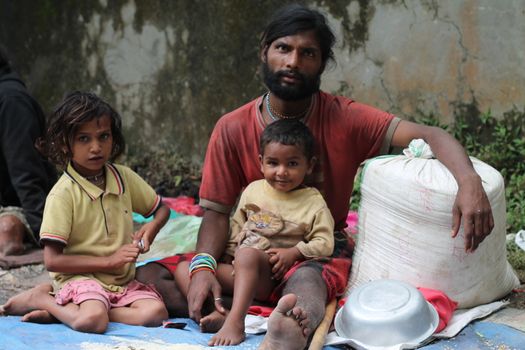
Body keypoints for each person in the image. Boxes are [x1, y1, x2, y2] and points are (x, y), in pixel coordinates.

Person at [136, 4, 494, 349]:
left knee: (307, 284)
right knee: (150, 276)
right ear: (265, 51)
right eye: (283, 48)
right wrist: (203, 267)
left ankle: (285, 326)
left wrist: (469, 183)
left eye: (308, 53)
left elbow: (430, 135)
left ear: (322, 63)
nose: (293, 61)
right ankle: (238, 311)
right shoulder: (231, 128)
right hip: (248, 255)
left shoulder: (347, 118)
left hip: (311, 253)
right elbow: (216, 214)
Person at [0, 91, 169, 333]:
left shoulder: (123, 177)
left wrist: (151, 227)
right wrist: (109, 261)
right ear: (64, 144)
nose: (96, 147)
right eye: (83, 139)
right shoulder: (63, 195)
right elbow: (52, 260)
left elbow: (161, 210)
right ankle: (42, 298)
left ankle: (64, 312)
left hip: (118, 282)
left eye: (104, 137)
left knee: (155, 313)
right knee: (92, 322)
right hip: (80, 280)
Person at [173, 119, 335, 346]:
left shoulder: (312, 202)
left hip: (272, 278)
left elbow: (325, 242)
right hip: (240, 271)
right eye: (273, 163)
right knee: (187, 269)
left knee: (248, 254)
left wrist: (294, 252)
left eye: (292, 164)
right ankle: (222, 312)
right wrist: (228, 254)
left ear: (309, 165)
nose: (281, 172)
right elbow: (237, 226)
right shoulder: (253, 191)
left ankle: (236, 323)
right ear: (261, 162)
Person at [0, 46, 56, 256]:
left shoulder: (11, 101)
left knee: (6, 229)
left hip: (18, 207)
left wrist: (47, 235)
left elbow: (26, 172)